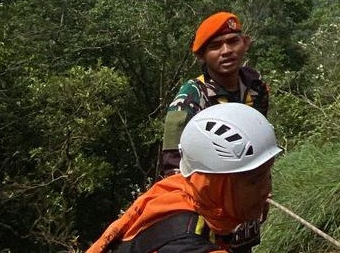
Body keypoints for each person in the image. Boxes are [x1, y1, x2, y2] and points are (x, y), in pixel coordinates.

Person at [88, 103, 282, 253]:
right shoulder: (185, 243)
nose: (267, 190)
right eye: (254, 180)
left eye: (267, 174)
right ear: (215, 184)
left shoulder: (179, 192)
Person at [161, 12, 271, 251]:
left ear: (246, 42)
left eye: (233, 41)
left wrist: (260, 193)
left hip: (244, 202)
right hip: (207, 213)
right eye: (215, 46)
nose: (226, 50)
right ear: (202, 55)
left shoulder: (256, 87)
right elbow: (172, 167)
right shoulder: (190, 98)